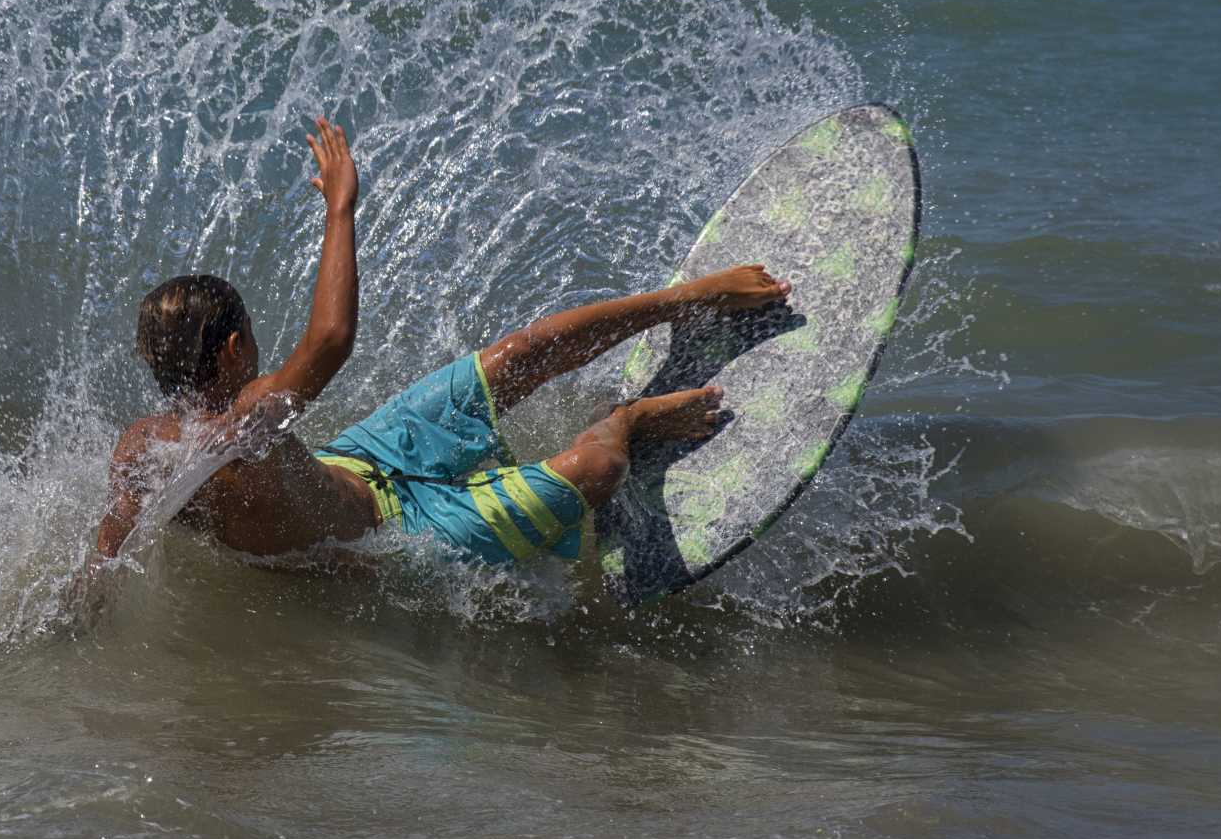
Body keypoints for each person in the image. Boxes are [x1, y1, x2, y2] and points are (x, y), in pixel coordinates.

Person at [90, 118, 791, 570]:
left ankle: (682, 297)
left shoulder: (141, 450)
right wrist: (340, 208)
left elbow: (104, 554)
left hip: (365, 458)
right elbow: (331, 338)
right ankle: (629, 418)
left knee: (517, 358)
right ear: (236, 348)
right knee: (598, 467)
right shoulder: (249, 417)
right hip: (411, 527)